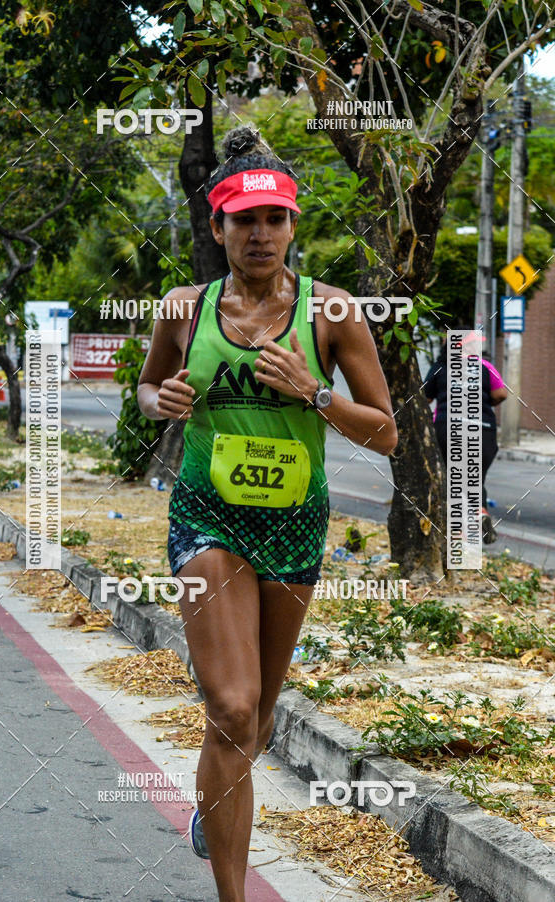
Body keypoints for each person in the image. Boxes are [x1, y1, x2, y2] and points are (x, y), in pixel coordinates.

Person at [137, 125, 397, 902]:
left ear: (292, 225)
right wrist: (166, 402)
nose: (260, 234)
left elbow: (385, 432)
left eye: (274, 219)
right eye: (243, 220)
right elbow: (149, 391)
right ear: (217, 227)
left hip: (293, 525)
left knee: (258, 720)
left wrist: (314, 394)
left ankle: (214, 806)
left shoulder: (333, 312)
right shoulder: (186, 308)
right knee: (232, 705)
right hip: (206, 516)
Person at [424, 332, 507, 544]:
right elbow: (501, 394)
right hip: (484, 430)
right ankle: (480, 514)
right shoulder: (485, 366)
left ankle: (457, 536)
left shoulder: (440, 367)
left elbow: (424, 397)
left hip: (448, 427)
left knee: (451, 480)